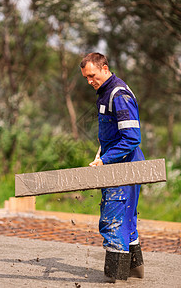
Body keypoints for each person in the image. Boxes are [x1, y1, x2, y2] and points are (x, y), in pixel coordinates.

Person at [80, 52, 145, 283]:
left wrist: (106, 160)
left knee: (113, 219)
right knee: (127, 218)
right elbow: (112, 134)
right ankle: (136, 271)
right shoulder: (106, 93)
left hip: (124, 166)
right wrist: (100, 155)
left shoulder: (118, 94)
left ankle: (116, 278)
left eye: (92, 75)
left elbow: (131, 138)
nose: (90, 81)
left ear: (104, 68)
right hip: (120, 163)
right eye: (86, 78)